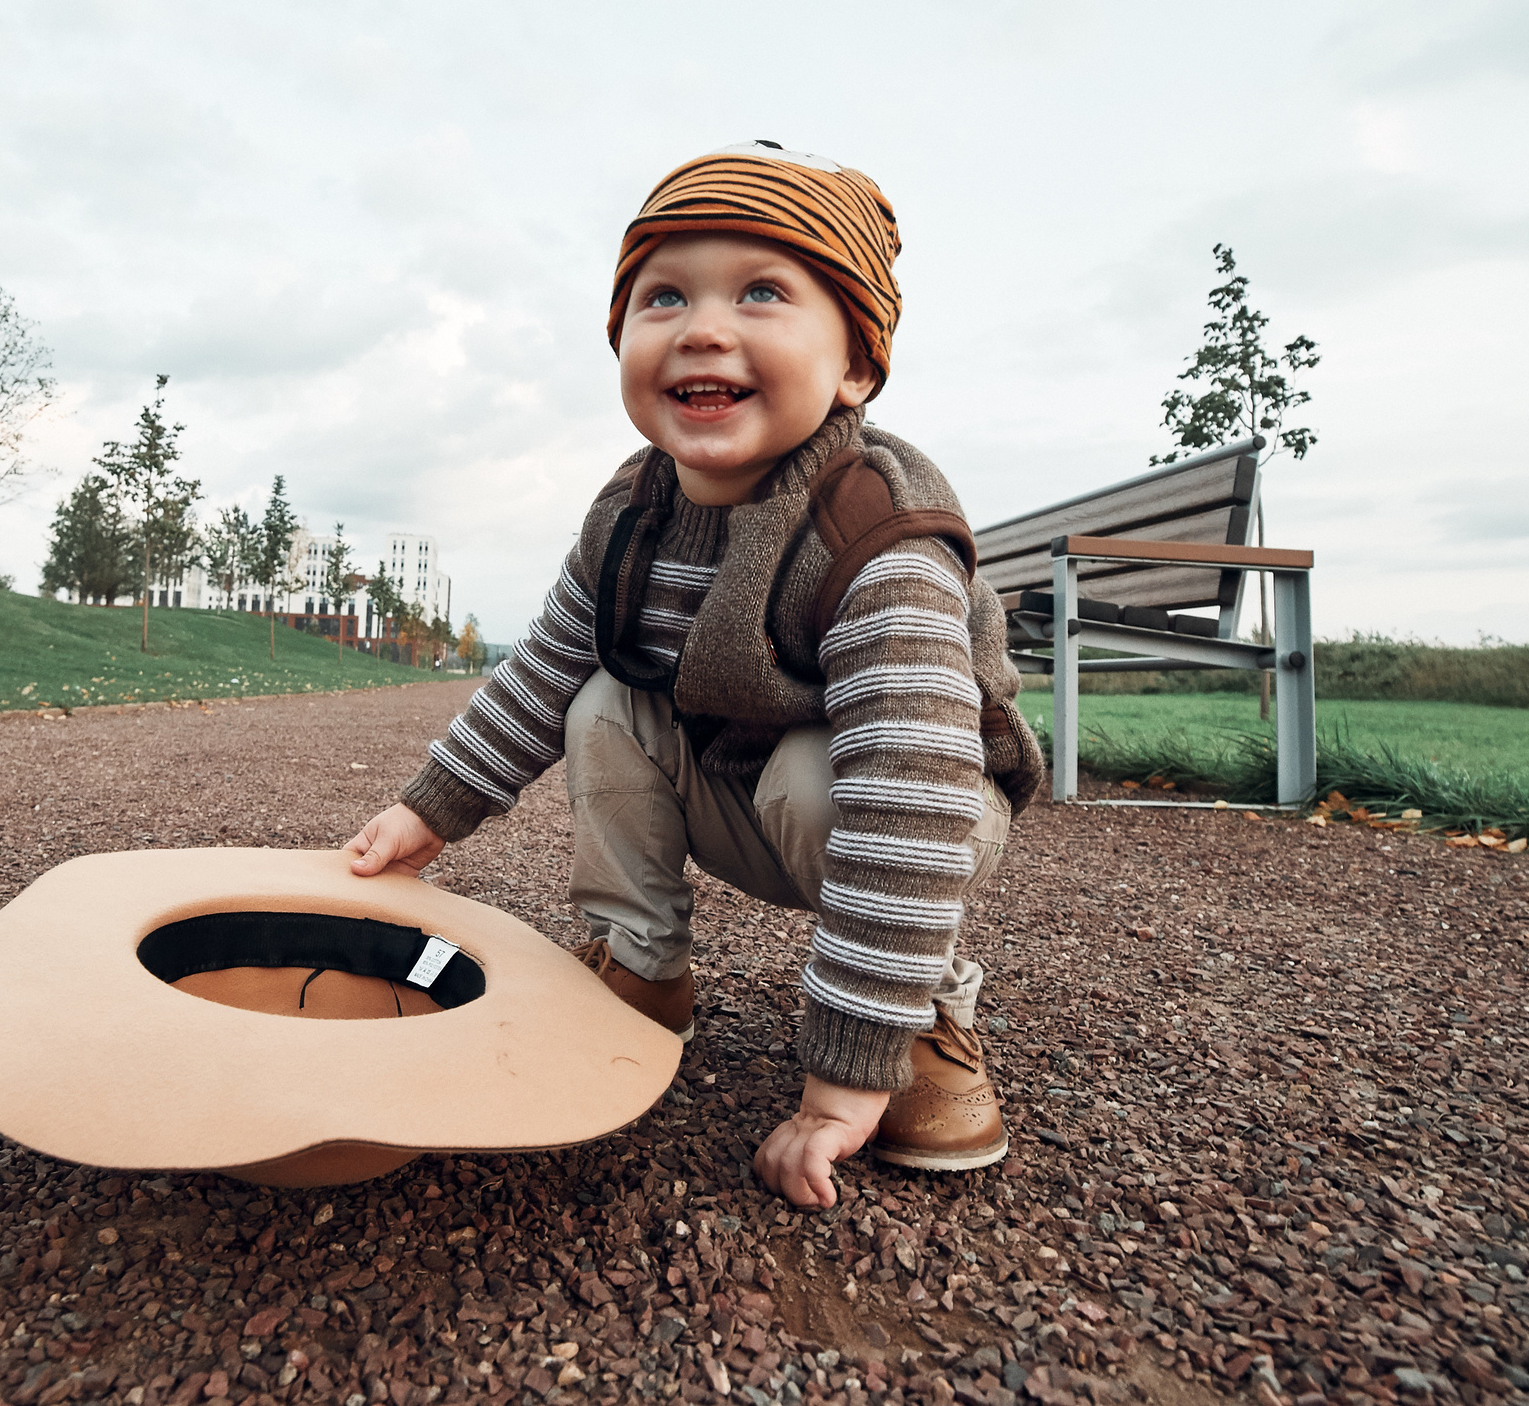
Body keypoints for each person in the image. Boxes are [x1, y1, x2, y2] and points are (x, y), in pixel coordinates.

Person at [342, 142, 1044, 1209]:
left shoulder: (877, 538)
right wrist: (427, 811)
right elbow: (544, 668)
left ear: (855, 368)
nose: (703, 327)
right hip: (741, 787)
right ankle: (641, 962)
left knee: (824, 769)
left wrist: (844, 1073)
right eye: (663, 296)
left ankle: (917, 1014)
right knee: (602, 699)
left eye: (762, 292)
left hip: (915, 808)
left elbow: (913, 793)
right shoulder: (634, 511)